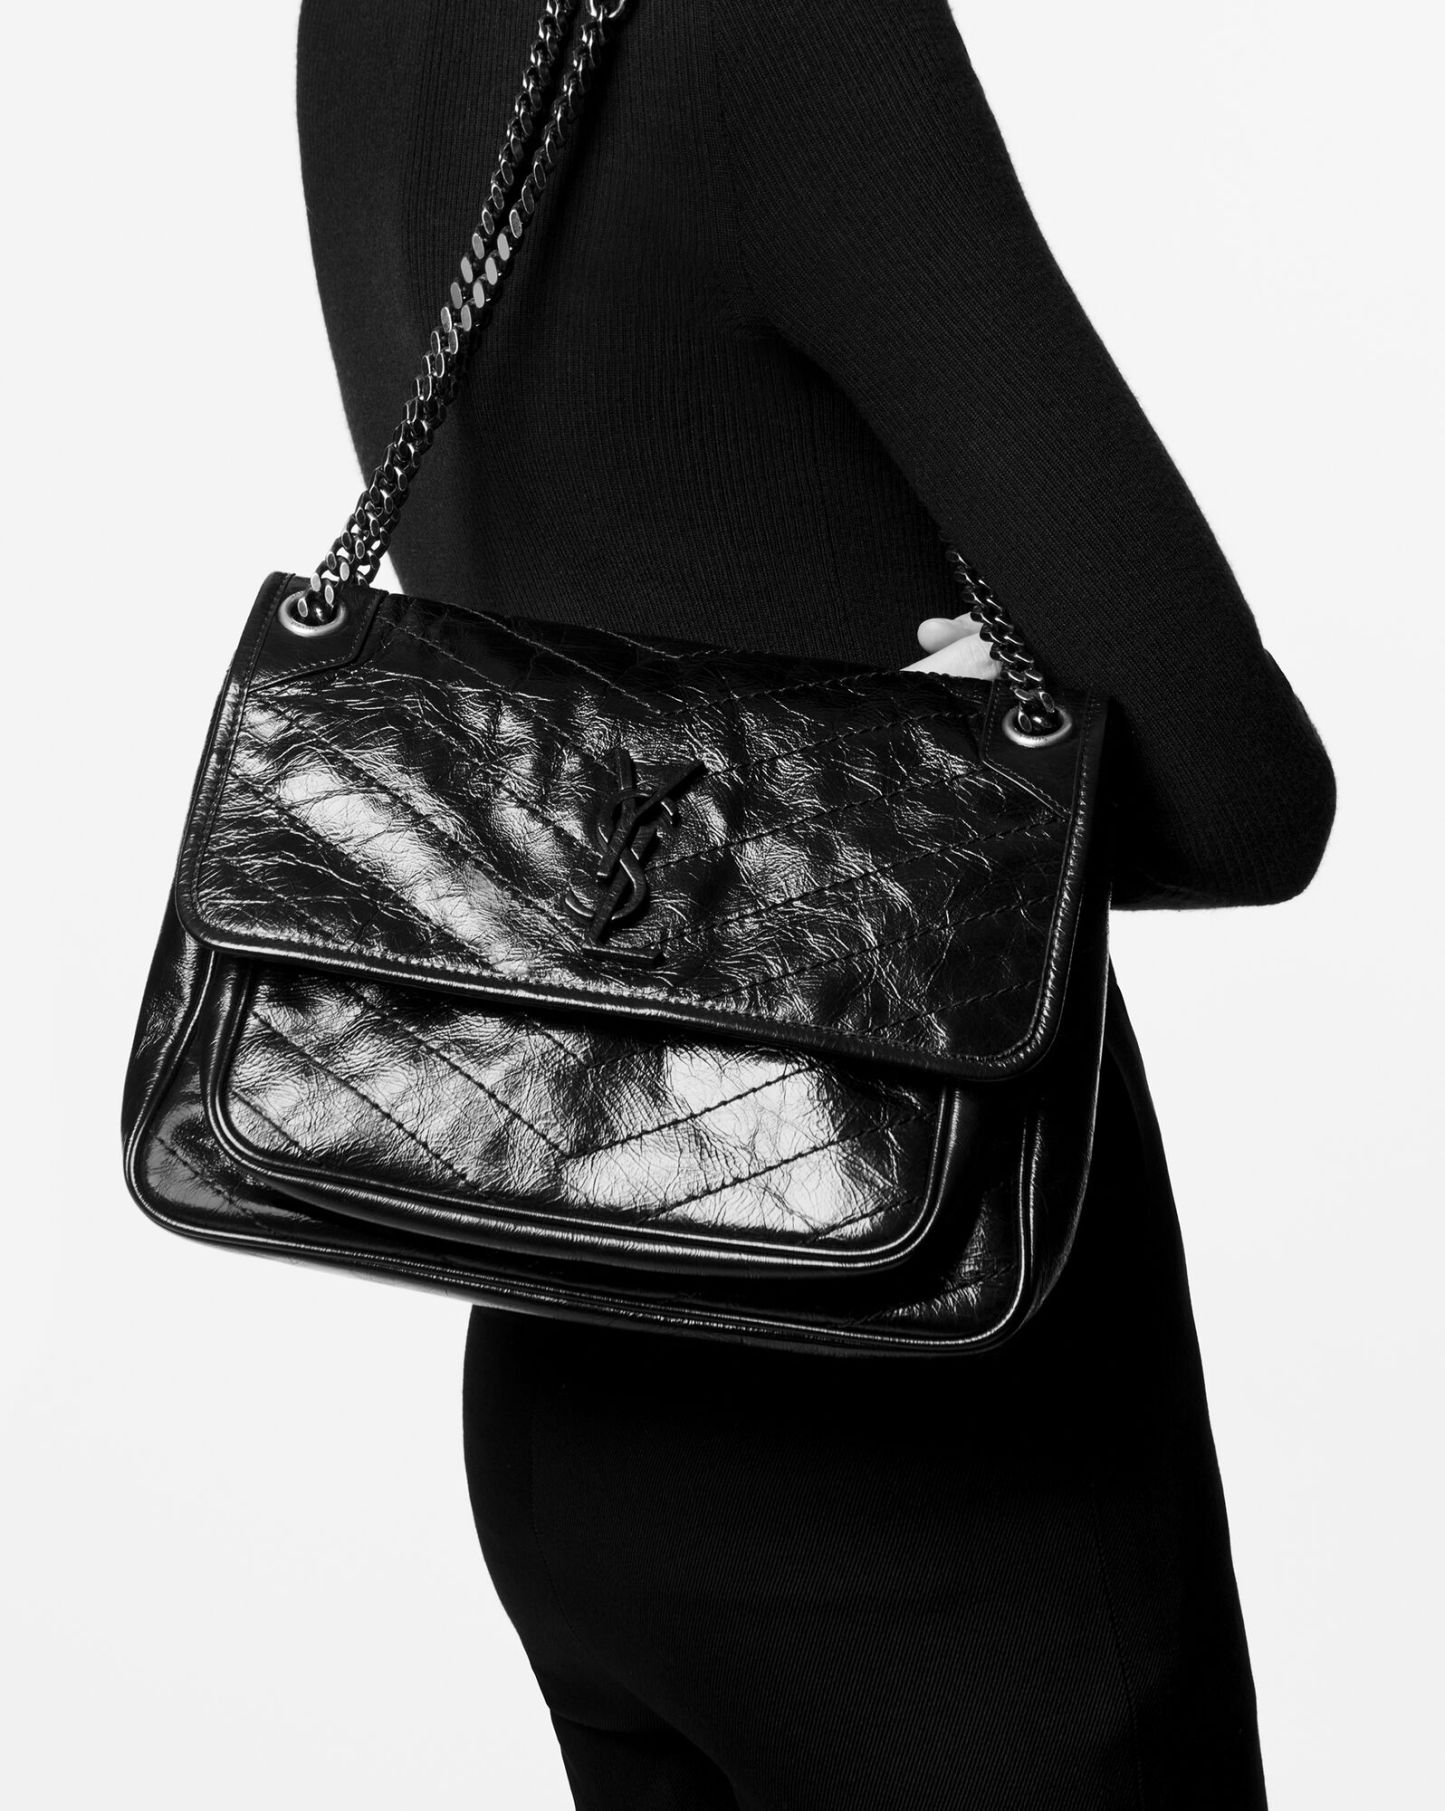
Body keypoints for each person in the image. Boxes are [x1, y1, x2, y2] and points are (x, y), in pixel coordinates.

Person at [297, 2, 1335, 1804]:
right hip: (925, 1393)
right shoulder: (791, 29)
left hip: (562, 1364)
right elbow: (1240, 792)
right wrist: (938, 775)